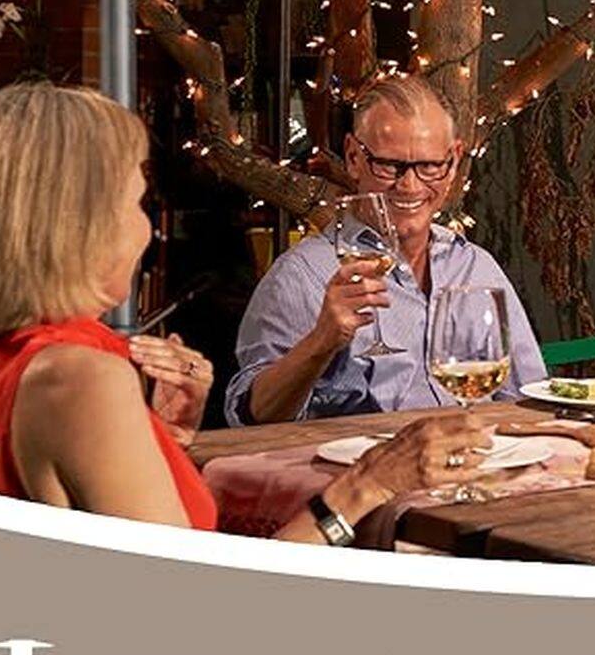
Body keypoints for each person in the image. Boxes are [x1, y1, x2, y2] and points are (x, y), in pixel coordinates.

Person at [0, 83, 491, 541]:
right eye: (135, 203)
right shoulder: (79, 380)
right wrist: (367, 484)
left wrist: (159, 442)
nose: (147, 229)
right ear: (74, 224)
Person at [227, 75, 545, 424]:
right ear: (353, 157)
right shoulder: (302, 275)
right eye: (389, 166)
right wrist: (320, 342)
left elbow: (529, 399)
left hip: (475, 455)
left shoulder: (475, 266)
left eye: (429, 166)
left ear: (453, 161)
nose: (409, 186)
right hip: (365, 458)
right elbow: (253, 418)